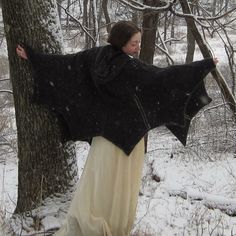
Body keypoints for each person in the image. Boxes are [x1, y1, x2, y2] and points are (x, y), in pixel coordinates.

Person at [16, 21, 218, 236]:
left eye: (139, 42)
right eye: (133, 43)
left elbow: (66, 65)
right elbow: (164, 77)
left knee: (101, 183)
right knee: (120, 186)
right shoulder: (131, 67)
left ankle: (92, 220)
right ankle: (113, 226)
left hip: (105, 136)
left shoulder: (96, 57)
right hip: (127, 137)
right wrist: (203, 66)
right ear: (121, 41)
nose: (137, 47)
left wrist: (34, 57)